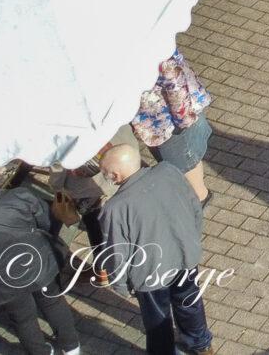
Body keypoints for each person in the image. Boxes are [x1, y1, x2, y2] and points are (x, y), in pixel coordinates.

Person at [0, 158, 83, 355]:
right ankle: (71, 347)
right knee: (54, 303)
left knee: (23, 319)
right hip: (40, 264)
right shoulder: (20, 196)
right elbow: (46, 223)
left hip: (4, 281)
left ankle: (39, 351)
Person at [96, 141, 210, 355]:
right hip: (185, 255)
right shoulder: (169, 170)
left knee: (158, 321)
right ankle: (201, 345)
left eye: (105, 173)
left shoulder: (115, 208)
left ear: (116, 176)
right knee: (189, 303)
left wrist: (119, 284)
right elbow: (194, 205)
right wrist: (192, 239)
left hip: (149, 274)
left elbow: (117, 252)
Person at [130, 50, 212, 204]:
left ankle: (199, 198)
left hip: (169, 122)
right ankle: (194, 196)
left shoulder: (154, 52)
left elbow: (175, 84)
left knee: (184, 160)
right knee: (176, 158)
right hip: (154, 123)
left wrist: (183, 120)